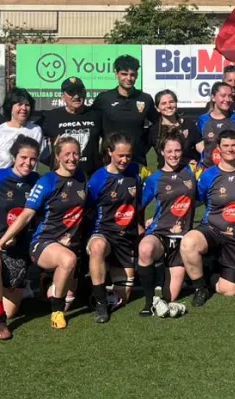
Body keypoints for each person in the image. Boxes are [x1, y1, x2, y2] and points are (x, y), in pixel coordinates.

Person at [182, 130, 235, 306]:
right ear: (219, 148)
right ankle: (200, 287)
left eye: (234, 145)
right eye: (226, 146)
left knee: (229, 290)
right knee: (188, 243)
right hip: (213, 230)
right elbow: (197, 200)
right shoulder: (208, 175)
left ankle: (211, 270)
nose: (230, 149)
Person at [0, 136, 43, 340]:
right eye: (23, 157)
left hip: (18, 251)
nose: (28, 163)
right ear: (14, 157)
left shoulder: (36, 180)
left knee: (11, 310)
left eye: (33, 159)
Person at [19, 136, 89, 330]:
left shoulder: (82, 178)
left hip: (72, 246)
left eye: (75, 153)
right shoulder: (47, 180)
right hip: (44, 242)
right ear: (58, 157)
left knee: (69, 294)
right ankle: (56, 313)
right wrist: (1, 242)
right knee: (68, 261)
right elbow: (27, 214)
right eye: (67, 154)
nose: (72, 158)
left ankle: (47, 282)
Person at [86, 132, 149, 323]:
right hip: (103, 234)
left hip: (125, 238)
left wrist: (139, 225)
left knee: (123, 297)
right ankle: (100, 303)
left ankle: (96, 288)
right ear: (109, 152)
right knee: (98, 247)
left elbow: (138, 203)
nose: (124, 159)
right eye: (120, 155)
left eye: (128, 155)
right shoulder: (98, 179)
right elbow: (87, 209)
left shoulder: (136, 172)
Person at [138, 132, 197, 317]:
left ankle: (160, 297)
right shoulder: (155, 179)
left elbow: (204, 197)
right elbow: (138, 205)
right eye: (169, 150)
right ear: (162, 152)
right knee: (145, 249)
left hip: (183, 240)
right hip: (160, 234)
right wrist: (141, 226)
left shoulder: (191, 173)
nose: (174, 154)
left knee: (169, 296)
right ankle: (148, 302)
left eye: (177, 150)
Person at [88, 54, 158, 165]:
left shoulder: (145, 99)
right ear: (116, 74)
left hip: (137, 160)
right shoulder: (104, 98)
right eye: (124, 74)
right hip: (109, 160)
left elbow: (157, 124)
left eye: (132, 74)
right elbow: (92, 125)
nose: (128, 78)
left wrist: (144, 144)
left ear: (137, 75)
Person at [35, 77, 102, 175]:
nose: (76, 96)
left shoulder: (96, 115)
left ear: (85, 93)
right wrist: (48, 159)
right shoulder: (51, 117)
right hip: (61, 178)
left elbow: (110, 140)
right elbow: (31, 136)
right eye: (71, 92)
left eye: (79, 91)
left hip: (91, 176)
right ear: (62, 96)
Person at [0, 88, 45, 171]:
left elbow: (40, 157)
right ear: (10, 107)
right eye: (20, 104)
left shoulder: (36, 130)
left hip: (27, 182)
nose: (24, 108)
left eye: (27, 105)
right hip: (2, 182)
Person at [148, 89, 199, 168]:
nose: (168, 106)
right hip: (164, 175)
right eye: (163, 103)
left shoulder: (188, 124)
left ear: (176, 103)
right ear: (157, 108)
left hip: (188, 171)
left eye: (171, 102)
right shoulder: (153, 130)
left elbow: (202, 149)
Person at [197, 81, 235, 167]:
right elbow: (197, 145)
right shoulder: (203, 120)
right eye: (223, 96)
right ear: (213, 97)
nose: (227, 100)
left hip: (232, 170)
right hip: (209, 171)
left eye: (230, 96)